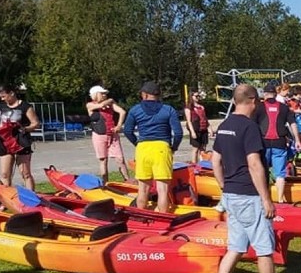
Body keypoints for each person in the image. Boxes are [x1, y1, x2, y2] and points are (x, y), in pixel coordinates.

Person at [206, 83, 282, 273]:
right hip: (250, 195)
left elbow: (215, 160)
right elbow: (254, 164)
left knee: (236, 247)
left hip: (231, 194)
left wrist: (223, 186)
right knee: (264, 247)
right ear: (252, 101)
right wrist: (266, 199)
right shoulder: (249, 128)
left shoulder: (224, 125)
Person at [123, 81, 183, 213]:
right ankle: (164, 218)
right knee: (162, 190)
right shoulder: (168, 110)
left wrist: (137, 143)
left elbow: (127, 130)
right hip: (162, 148)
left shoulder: (135, 110)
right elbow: (178, 133)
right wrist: (173, 148)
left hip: (143, 148)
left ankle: (141, 216)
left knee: (143, 188)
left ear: (144, 95)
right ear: (159, 95)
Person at [255, 82, 301, 202]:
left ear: (265, 94)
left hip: (262, 143)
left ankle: (264, 199)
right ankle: (280, 199)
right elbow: (293, 124)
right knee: (280, 173)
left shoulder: (258, 107)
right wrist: (297, 140)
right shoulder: (284, 107)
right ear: (275, 94)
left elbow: (252, 125)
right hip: (279, 143)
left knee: (262, 171)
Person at [0, 84, 39, 189]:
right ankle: (5, 200)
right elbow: (1, 122)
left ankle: (31, 197)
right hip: (5, 142)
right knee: (5, 174)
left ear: (12, 93)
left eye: (4, 96)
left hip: (21, 141)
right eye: (1, 97)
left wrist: (25, 129)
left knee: (25, 173)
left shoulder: (25, 106)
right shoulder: (1, 107)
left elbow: (35, 123)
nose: (2, 99)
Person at [86, 85, 130, 182]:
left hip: (112, 135)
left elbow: (122, 112)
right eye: (102, 93)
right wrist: (110, 100)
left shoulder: (110, 104)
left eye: (105, 94)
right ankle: (105, 183)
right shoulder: (90, 105)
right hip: (99, 136)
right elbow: (100, 106)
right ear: (95, 94)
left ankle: (127, 180)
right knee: (103, 160)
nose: (104, 95)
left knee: (120, 159)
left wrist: (118, 126)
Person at [184, 91, 213, 164]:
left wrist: (209, 128)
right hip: (195, 129)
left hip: (203, 129)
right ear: (191, 97)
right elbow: (189, 121)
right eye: (196, 96)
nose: (198, 97)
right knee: (195, 148)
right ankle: (194, 165)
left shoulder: (201, 107)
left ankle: (203, 164)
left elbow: (205, 119)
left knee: (203, 148)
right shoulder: (188, 108)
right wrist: (192, 132)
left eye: (198, 96)